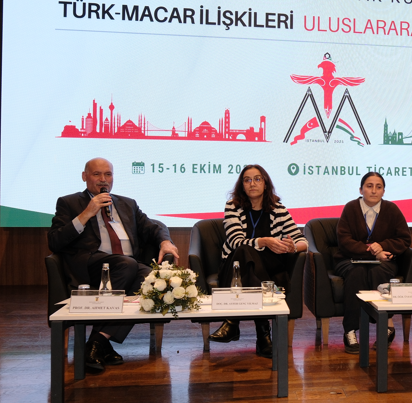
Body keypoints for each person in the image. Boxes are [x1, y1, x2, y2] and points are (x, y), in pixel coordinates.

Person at [48, 157, 180, 372]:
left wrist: (165, 241)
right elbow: (55, 241)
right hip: (91, 266)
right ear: (84, 177)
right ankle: (100, 345)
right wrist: (86, 213)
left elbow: (153, 227)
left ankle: (98, 342)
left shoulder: (127, 204)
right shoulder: (69, 203)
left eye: (108, 174)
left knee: (151, 279)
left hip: (125, 266)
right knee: (127, 264)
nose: (103, 179)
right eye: (97, 174)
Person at [209, 165, 307, 358]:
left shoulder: (278, 209)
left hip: (269, 266)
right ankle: (263, 336)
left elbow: (302, 240)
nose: (252, 183)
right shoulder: (233, 206)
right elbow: (236, 241)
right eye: (247, 180)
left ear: (265, 183)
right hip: (236, 265)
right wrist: (264, 241)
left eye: (257, 179)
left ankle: (232, 323)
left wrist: (292, 247)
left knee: (249, 258)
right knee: (244, 252)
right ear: (242, 185)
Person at [334, 172, 412, 354]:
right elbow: (344, 240)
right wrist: (371, 250)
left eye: (379, 187)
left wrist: (383, 246)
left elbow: (404, 239)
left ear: (384, 191)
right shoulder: (351, 208)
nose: (374, 191)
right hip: (349, 259)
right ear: (361, 190)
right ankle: (350, 331)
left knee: (378, 271)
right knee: (357, 272)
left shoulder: (392, 209)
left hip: (382, 261)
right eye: (369, 186)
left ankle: (386, 326)